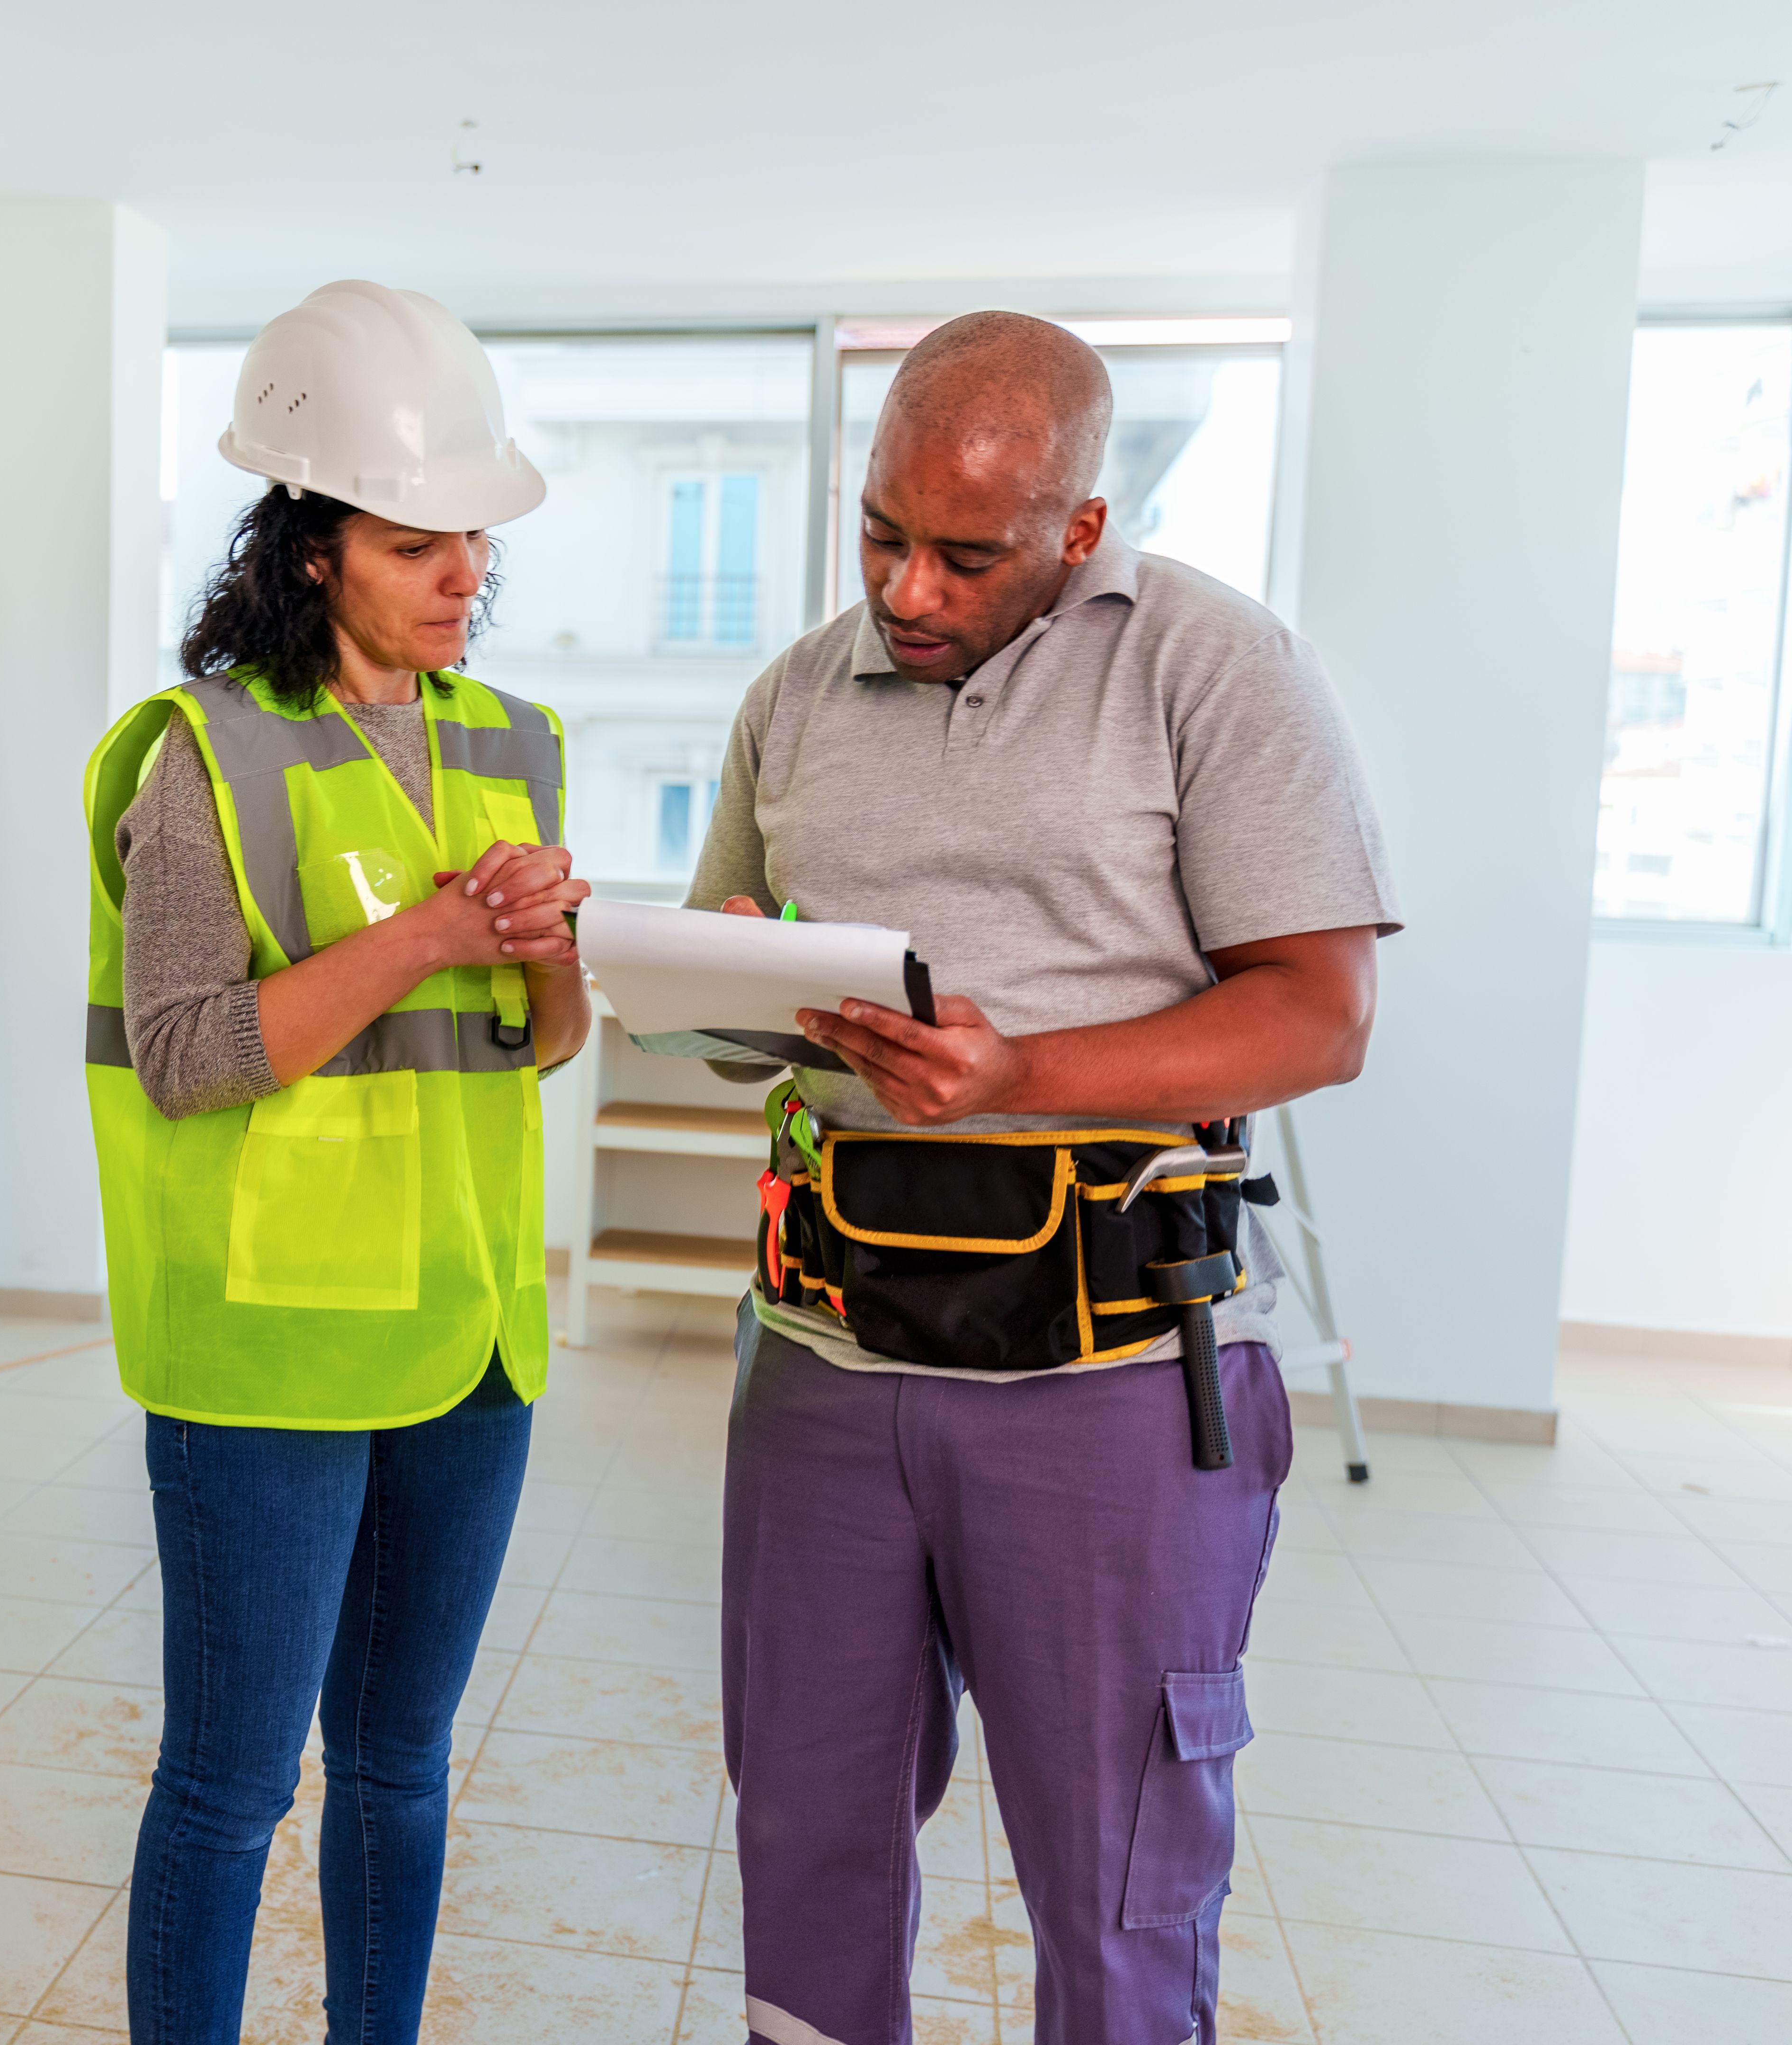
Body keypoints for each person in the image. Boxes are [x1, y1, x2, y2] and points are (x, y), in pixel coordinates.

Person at [691, 312, 1399, 2045]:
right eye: (881, 533)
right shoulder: (793, 691)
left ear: (1083, 530)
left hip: (1108, 1380)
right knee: (802, 1836)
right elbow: (731, 986)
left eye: (966, 553)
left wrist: (1024, 1079)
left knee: (1114, 1881)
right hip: (829, 1361)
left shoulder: (1215, 669)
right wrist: (714, 988)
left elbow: (1323, 1014)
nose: (908, 591)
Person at [79, 279, 592, 2045]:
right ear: (308, 549)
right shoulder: (201, 760)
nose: (464, 574)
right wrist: (440, 934)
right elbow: (191, 1054)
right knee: (233, 1790)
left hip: (467, 1334)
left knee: (402, 1766)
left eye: (473, 540)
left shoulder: (513, 742)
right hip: (274, 1348)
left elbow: (546, 1040)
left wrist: (546, 948)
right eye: (414, 540)